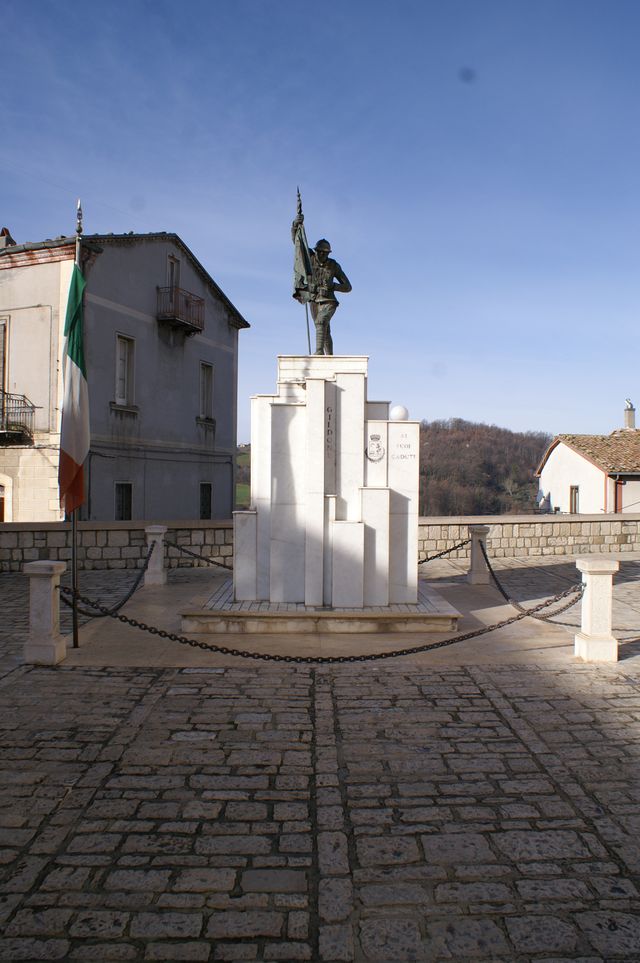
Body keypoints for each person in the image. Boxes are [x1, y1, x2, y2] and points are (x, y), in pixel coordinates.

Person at [292, 213, 352, 355]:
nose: (323, 255)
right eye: (320, 252)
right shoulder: (309, 257)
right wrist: (296, 225)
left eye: (326, 253)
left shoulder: (333, 265)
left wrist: (333, 286)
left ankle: (318, 353)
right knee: (324, 329)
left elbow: (348, 286)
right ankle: (329, 357)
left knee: (321, 322)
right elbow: (297, 243)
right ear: (316, 251)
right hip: (314, 299)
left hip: (329, 300)